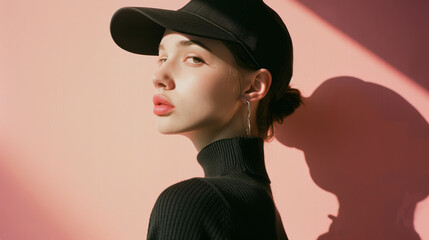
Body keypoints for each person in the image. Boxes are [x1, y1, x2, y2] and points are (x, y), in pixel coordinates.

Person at [110, 0, 301, 239]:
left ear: (254, 85)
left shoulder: (194, 203)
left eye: (193, 58)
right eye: (162, 57)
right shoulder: (260, 206)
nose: (158, 77)